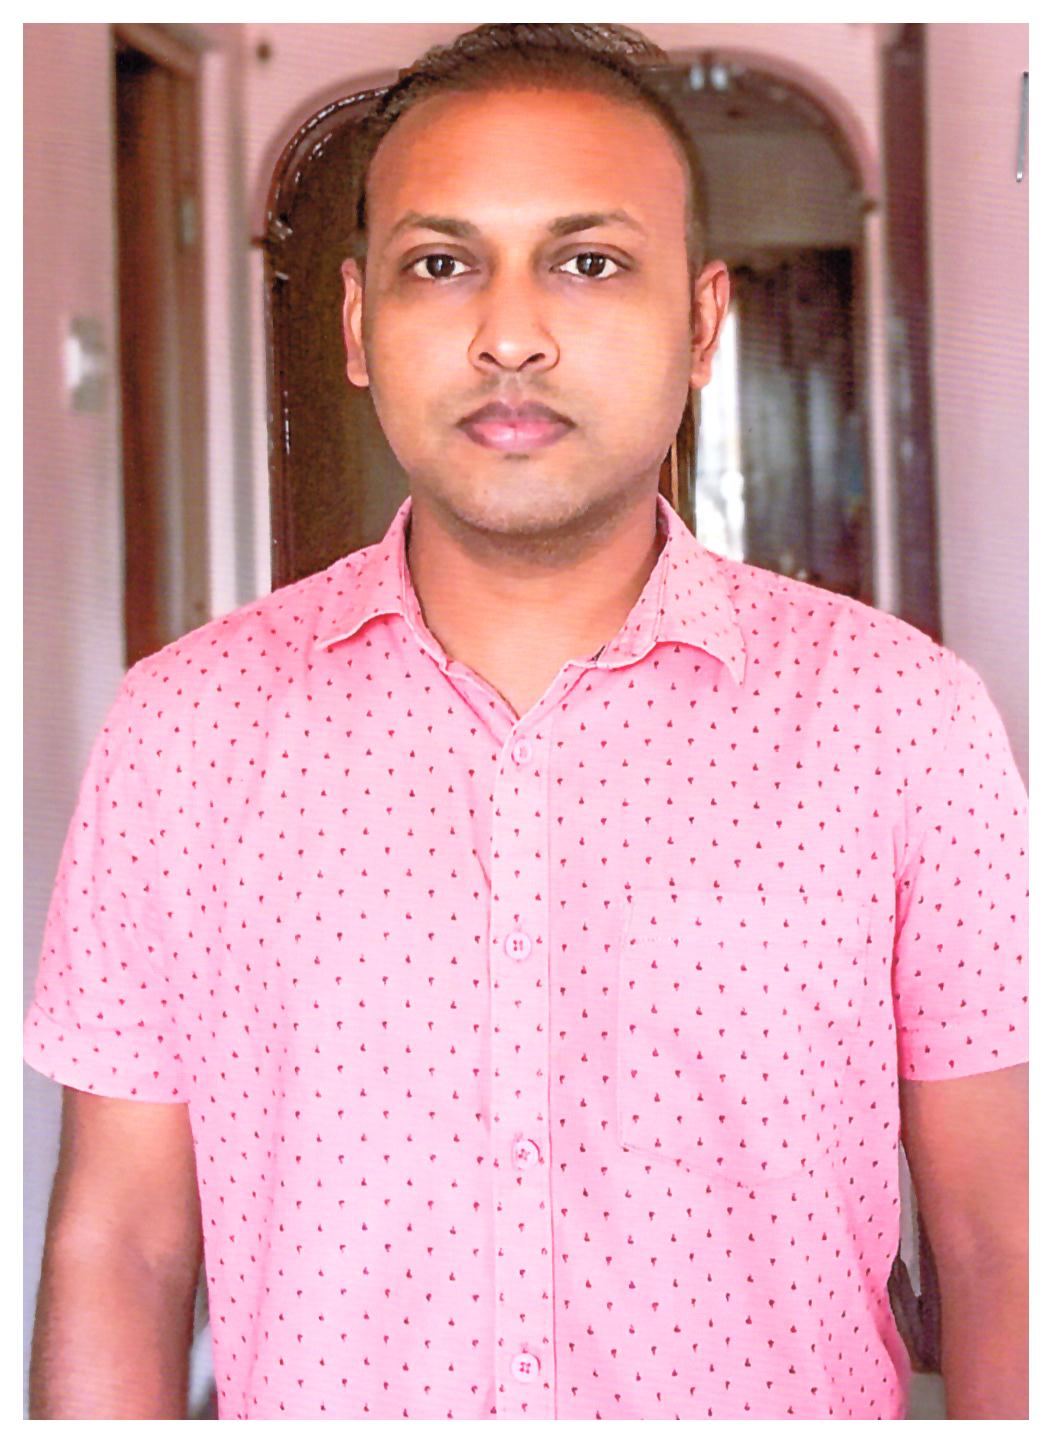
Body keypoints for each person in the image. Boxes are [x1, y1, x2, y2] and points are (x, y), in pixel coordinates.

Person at [25, 22, 1027, 1421]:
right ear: (359, 326)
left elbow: (999, 1242)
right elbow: (122, 1247)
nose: (510, 334)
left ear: (702, 322)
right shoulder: (182, 734)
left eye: (589, 261)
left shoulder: (900, 722)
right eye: (442, 264)